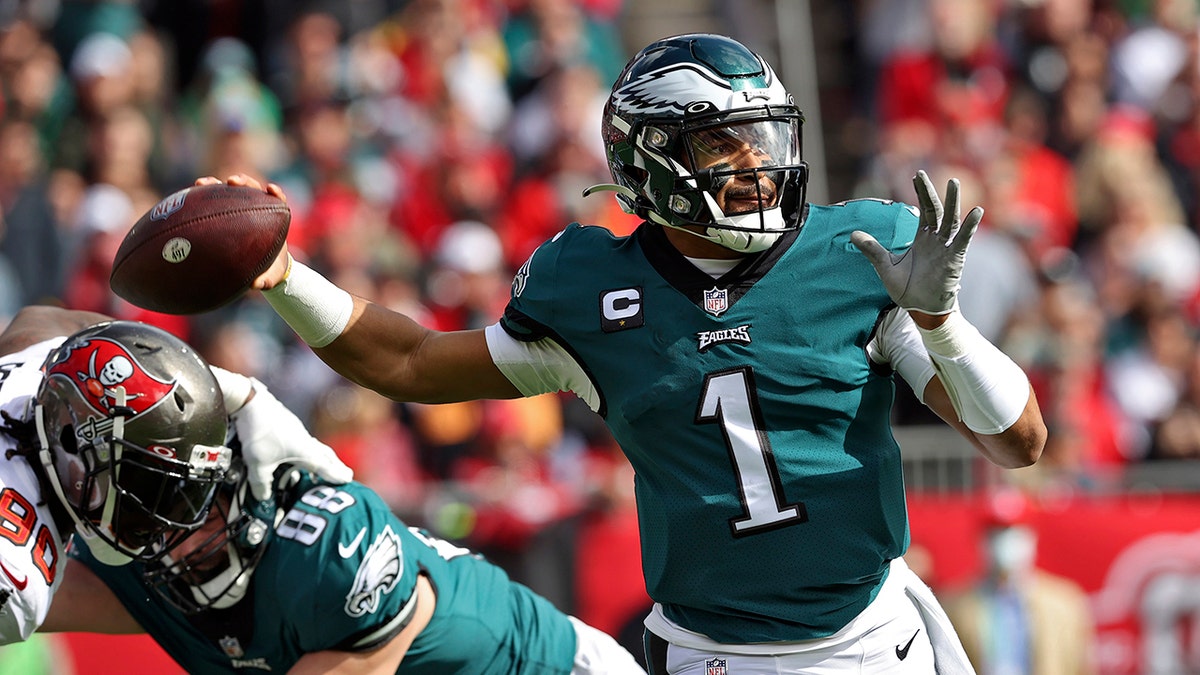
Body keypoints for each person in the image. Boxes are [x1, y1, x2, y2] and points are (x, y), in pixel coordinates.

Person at [203, 33, 1046, 673]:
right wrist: (283, 277)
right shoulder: (591, 292)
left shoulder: (859, 252)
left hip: (872, 642)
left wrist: (937, 322)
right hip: (710, 653)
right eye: (727, 144)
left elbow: (1020, 441)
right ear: (653, 160)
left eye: (766, 136)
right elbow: (411, 362)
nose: (760, 163)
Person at [42, 418, 647, 674]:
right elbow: (26, 599)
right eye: (147, 517)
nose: (169, 537)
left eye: (186, 507)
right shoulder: (146, 562)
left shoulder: (327, 553)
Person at [0, 305, 352, 644]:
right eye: (147, 480)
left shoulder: (35, 373)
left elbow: (49, 320)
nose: (166, 520)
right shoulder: (17, 574)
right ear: (73, 440)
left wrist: (209, 387)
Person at [942, 491, 1096, 675]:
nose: (1004, 543)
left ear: (1032, 537)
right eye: (995, 534)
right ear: (981, 540)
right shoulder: (955, 604)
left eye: (1014, 533)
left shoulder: (1064, 602)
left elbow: (1081, 665)